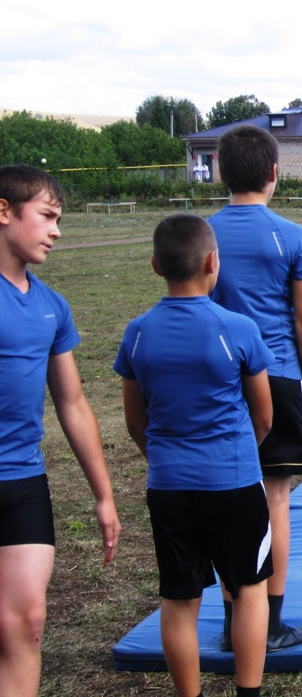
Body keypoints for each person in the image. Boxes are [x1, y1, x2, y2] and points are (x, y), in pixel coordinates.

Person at [114, 213, 274, 697]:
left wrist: (163, 457)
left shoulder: (137, 333)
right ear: (212, 262)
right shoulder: (238, 328)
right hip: (233, 483)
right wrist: (240, 456)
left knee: (179, 598)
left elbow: (134, 421)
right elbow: (263, 417)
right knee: (248, 590)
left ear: (155, 266)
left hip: (168, 487)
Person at [0, 164, 121, 697]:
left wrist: (103, 494)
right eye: (47, 217)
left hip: (23, 482)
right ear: (4, 212)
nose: (57, 230)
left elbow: (72, 404)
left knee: (26, 625)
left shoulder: (51, 307)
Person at [207, 125, 302, 652]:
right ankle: (270, 621)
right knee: (275, 498)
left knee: (229, 498)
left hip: (221, 379)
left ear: (220, 173)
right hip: (277, 377)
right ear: (275, 173)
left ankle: (235, 621)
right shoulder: (291, 235)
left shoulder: (201, 235)